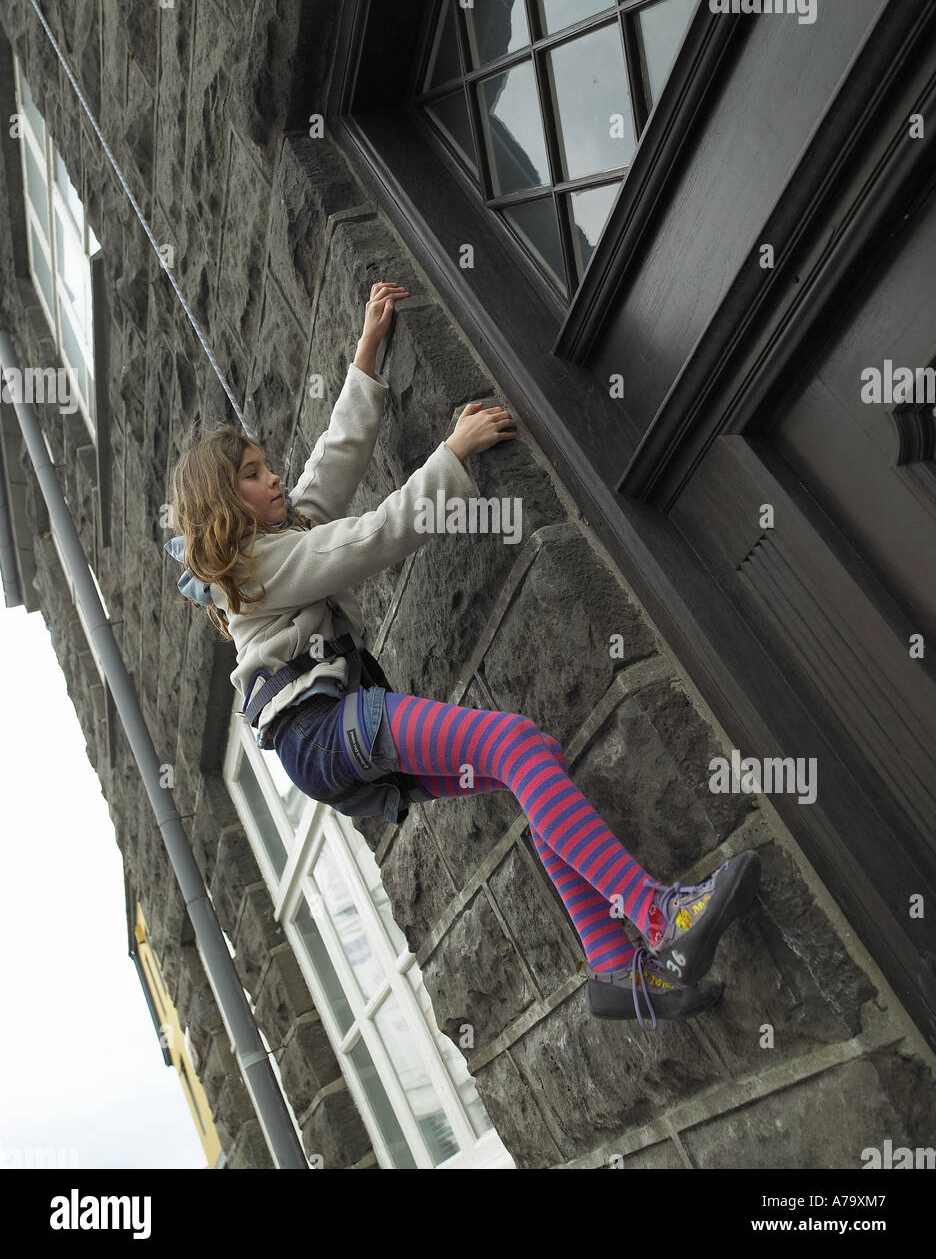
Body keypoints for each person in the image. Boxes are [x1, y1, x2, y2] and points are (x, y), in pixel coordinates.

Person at [166, 280, 761, 1032]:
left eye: (263, 463)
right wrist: (453, 453)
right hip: (324, 733)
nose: (272, 475)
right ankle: (656, 916)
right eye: (253, 474)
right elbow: (371, 537)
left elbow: (329, 468)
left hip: (326, 744)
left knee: (526, 759)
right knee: (512, 743)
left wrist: (366, 353)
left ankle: (614, 969)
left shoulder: (274, 547)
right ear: (225, 503)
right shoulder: (256, 572)